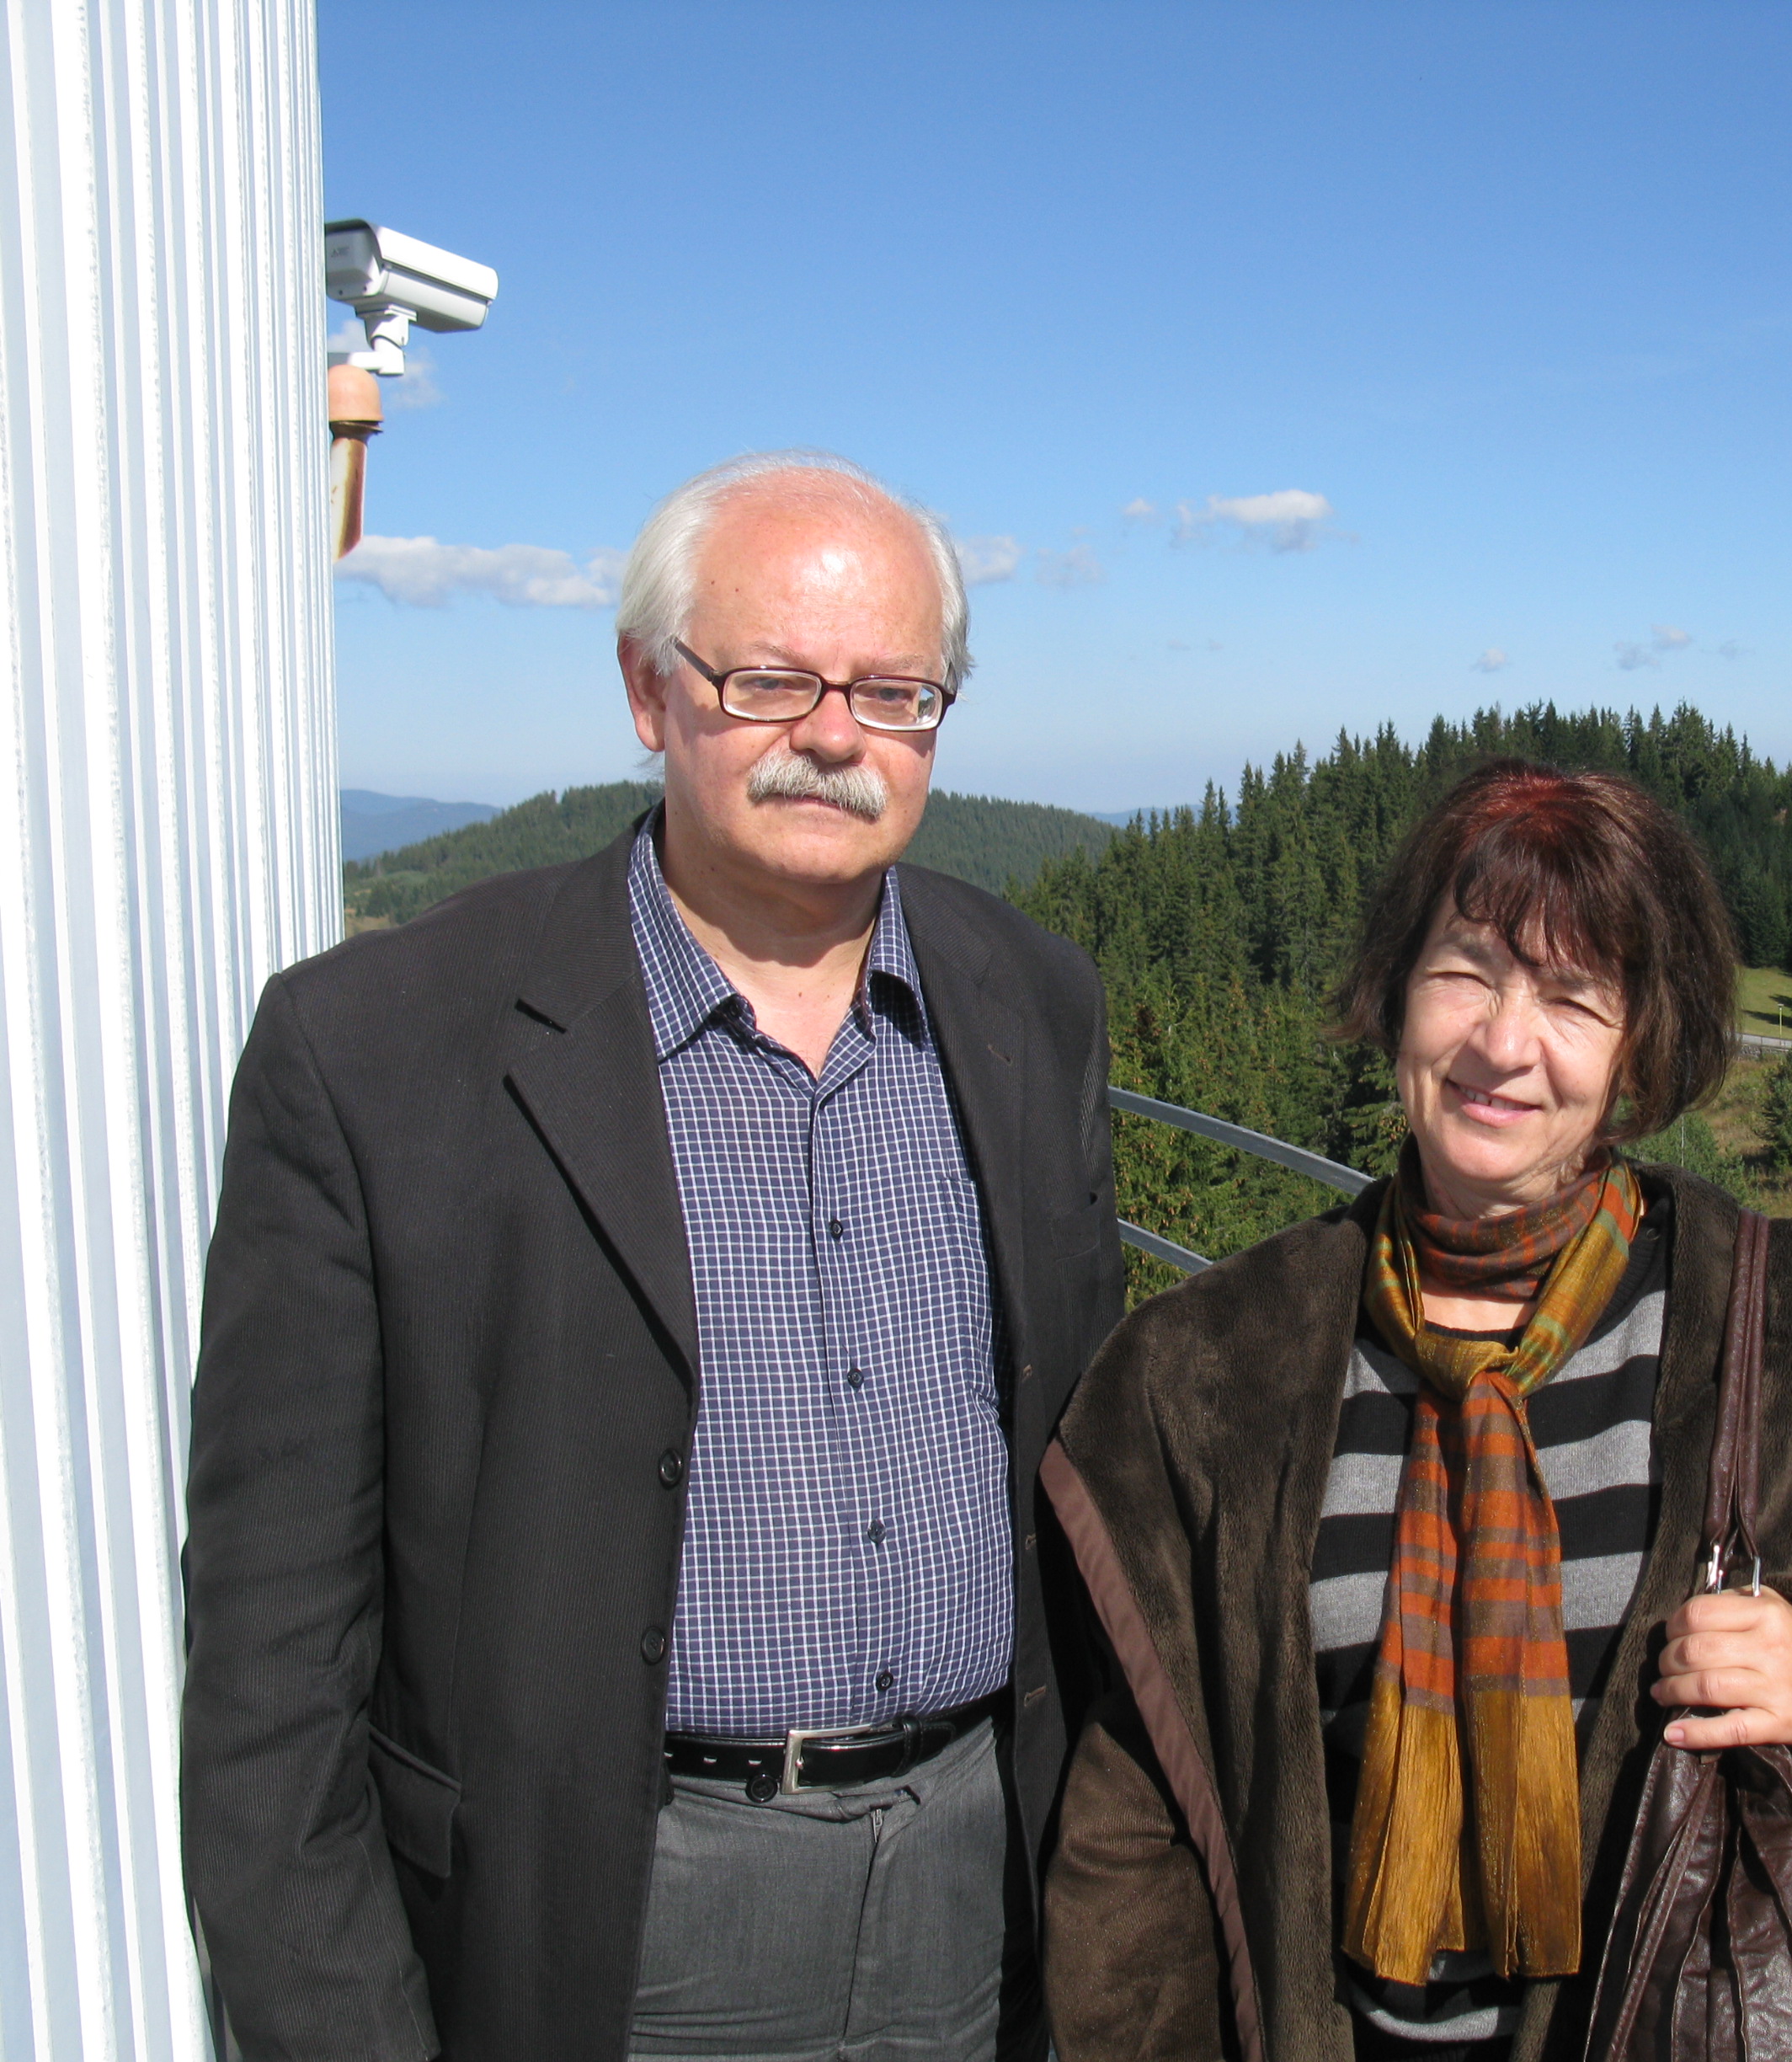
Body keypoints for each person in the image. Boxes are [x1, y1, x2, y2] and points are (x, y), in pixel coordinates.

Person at [180, 452, 1124, 2062]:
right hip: (603, 1926)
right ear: (647, 689)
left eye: (894, 692)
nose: (836, 736)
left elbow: (1091, 1460)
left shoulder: (1033, 1002)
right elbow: (274, 1665)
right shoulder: (378, 1048)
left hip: (985, 1890)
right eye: (771, 681)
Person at [1039, 760, 1792, 2062]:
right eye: (1466, 972)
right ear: (1396, 995)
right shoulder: (1218, 1368)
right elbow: (1138, 1814)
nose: (1501, 1042)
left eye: (1572, 998)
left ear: (1638, 1050)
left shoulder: (1775, 1331)